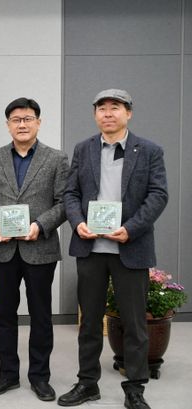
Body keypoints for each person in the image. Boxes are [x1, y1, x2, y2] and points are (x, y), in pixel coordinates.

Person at [59, 89, 168, 409]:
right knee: (89, 322)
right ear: (95, 115)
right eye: (102, 108)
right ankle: (87, 383)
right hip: (91, 248)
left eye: (115, 107)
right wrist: (77, 222)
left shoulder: (149, 150)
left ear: (128, 113)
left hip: (130, 248)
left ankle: (134, 388)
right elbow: (70, 193)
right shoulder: (83, 149)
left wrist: (131, 229)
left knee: (134, 323)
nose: (108, 113)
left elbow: (158, 195)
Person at [0, 98, 68, 401]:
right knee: (4, 314)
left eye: (28, 119)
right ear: (8, 125)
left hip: (40, 247)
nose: (22, 124)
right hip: (2, 248)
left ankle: (40, 377)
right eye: (16, 120)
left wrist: (40, 225)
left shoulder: (56, 159)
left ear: (38, 122)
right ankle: (8, 375)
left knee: (41, 315)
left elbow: (64, 202)